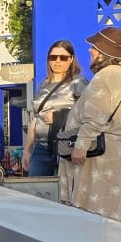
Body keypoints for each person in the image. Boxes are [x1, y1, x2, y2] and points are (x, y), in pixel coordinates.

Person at [60, 25, 121, 221]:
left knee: (94, 214)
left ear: (105, 51)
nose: (90, 50)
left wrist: (80, 147)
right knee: (116, 213)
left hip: (102, 159)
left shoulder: (107, 75)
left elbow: (95, 115)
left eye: (95, 47)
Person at [23, 40, 82, 179]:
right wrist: (27, 150)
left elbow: (87, 113)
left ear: (71, 59)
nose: (57, 61)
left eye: (63, 58)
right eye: (53, 57)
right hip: (41, 148)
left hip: (66, 145)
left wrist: (58, 116)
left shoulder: (78, 82)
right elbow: (35, 119)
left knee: (65, 189)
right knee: (35, 189)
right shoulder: (43, 85)